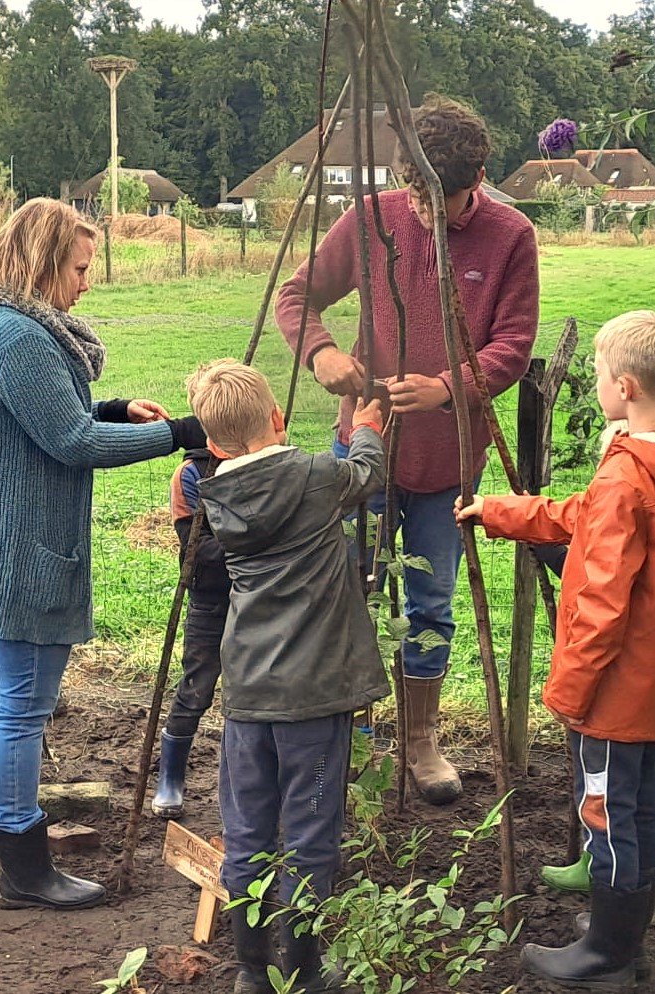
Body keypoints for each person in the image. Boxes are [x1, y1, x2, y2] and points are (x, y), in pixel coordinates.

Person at [0, 198, 206, 911]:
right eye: (80, 268)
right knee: (24, 702)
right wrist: (180, 433)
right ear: (44, 262)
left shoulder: (7, 325)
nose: (88, 281)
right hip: (19, 549)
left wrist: (113, 409)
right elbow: (72, 442)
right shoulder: (19, 339)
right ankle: (23, 863)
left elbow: (53, 417)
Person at [277, 94, 540, 806]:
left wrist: (449, 387)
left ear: (477, 178)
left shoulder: (510, 236)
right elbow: (296, 297)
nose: (425, 214)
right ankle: (354, 734)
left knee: (430, 602)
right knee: (349, 593)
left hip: (448, 463)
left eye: (440, 201)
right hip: (361, 455)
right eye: (416, 196)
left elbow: (514, 344)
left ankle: (421, 738)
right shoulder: (371, 218)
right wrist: (322, 354)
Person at [458, 312, 655, 988]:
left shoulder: (626, 479)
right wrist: (499, 512)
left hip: (612, 690)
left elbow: (600, 604)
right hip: (654, 680)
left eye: (599, 374)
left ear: (627, 386)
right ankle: (621, 933)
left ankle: (606, 957)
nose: (597, 382)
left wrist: (570, 693)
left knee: (608, 815)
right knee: (642, 808)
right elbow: (581, 518)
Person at [187, 359, 391, 993]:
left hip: (248, 695)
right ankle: (302, 971)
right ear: (278, 418)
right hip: (314, 698)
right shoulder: (314, 476)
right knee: (310, 833)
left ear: (214, 443)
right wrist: (367, 429)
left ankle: (253, 971)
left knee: (247, 829)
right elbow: (367, 474)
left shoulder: (216, 496)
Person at [149, 446, 229, 819]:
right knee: (197, 687)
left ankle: (244, 782)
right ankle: (171, 779)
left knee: (254, 692)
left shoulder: (270, 459)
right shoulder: (193, 473)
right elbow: (196, 543)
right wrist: (254, 547)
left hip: (263, 599)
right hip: (211, 598)